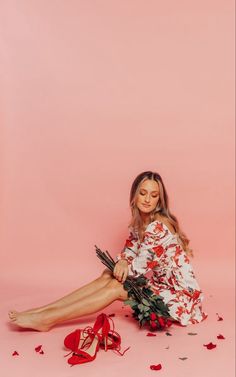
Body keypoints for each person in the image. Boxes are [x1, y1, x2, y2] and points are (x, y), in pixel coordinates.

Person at [8, 171, 207, 332]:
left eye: (154, 195)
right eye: (143, 193)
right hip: (160, 285)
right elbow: (128, 254)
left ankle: (46, 318)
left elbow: (136, 269)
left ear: (159, 201)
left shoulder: (158, 227)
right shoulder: (140, 224)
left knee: (117, 287)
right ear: (134, 195)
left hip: (179, 297)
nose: (147, 199)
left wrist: (123, 264)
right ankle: (44, 311)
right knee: (108, 274)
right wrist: (122, 262)